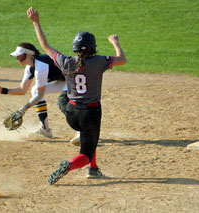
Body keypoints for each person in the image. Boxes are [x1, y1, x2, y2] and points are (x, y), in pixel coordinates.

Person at [27, 7, 126, 184]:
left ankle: (93, 169)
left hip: (72, 113)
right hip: (91, 113)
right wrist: (115, 42)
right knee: (85, 155)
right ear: (92, 47)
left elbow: (45, 46)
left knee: (86, 133)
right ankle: (70, 166)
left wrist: (36, 21)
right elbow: (122, 59)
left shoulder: (65, 61)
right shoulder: (98, 62)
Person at [0, 42, 69, 139]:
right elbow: (22, 90)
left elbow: (39, 95)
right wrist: (3, 90)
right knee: (34, 90)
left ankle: (81, 132)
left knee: (67, 102)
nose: (17, 59)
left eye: (20, 56)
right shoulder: (30, 67)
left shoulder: (40, 66)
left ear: (29, 54)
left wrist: (22, 110)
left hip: (74, 80)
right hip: (64, 81)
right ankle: (45, 130)